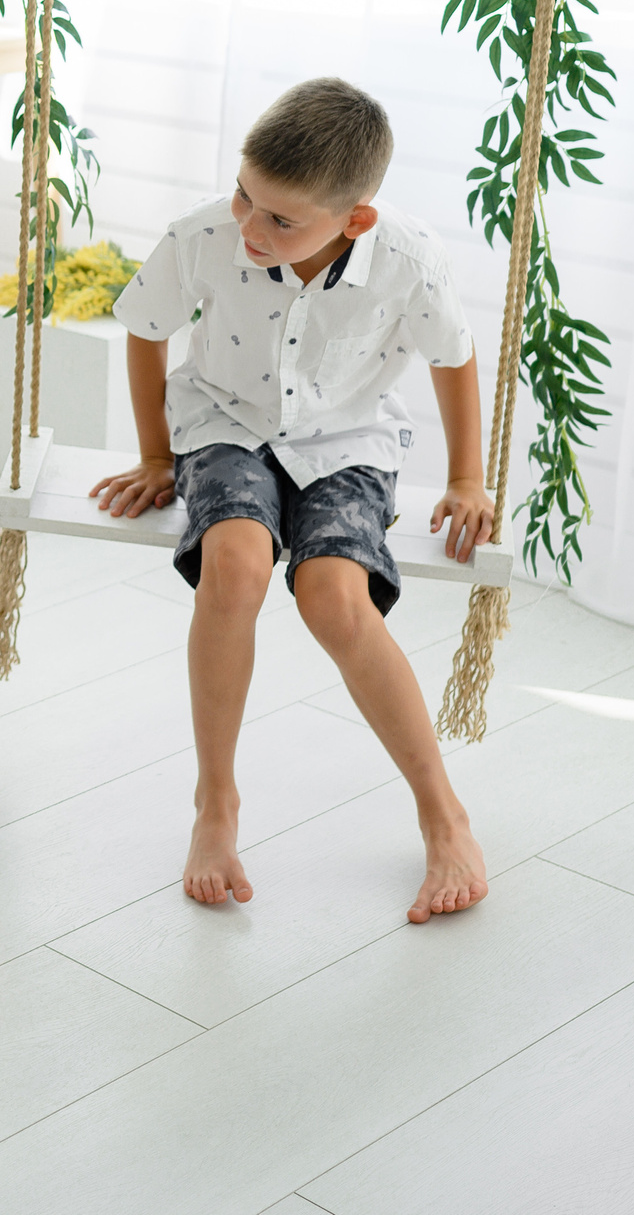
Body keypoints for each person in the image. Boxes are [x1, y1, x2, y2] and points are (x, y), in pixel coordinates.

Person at [92, 77, 492, 923]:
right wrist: (156, 454)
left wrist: (466, 478)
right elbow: (146, 329)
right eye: (245, 196)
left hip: (349, 439)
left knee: (337, 602)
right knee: (233, 570)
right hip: (225, 425)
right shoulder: (203, 235)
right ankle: (216, 804)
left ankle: (441, 812)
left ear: (354, 220)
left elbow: (454, 358)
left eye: (280, 218)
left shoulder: (407, 260)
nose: (250, 227)